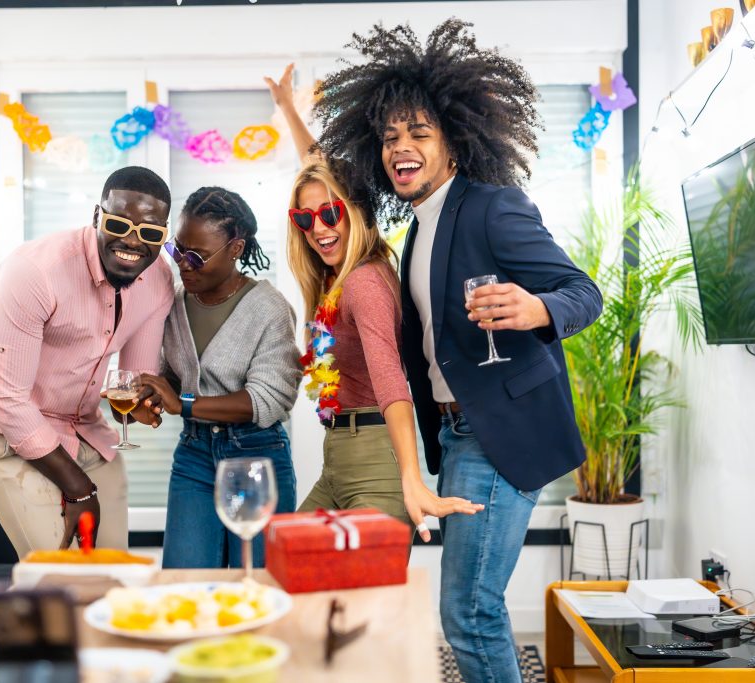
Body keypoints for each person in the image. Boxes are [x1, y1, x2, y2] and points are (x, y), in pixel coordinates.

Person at [312, 20, 603, 682]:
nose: (399, 148)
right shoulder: (419, 228)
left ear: (453, 140)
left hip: (499, 436)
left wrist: (537, 309)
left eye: (417, 132)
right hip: (458, 433)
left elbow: (583, 291)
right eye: (388, 138)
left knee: (469, 612)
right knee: (472, 609)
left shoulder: (492, 208)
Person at [266, 64, 483, 538]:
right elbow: (321, 173)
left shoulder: (363, 282)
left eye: (330, 214)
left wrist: (411, 477)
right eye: (305, 219)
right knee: (285, 564)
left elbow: (390, 378)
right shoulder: (339, 271)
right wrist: (286, 107)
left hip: (375, 463)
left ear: (356, 212)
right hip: (338, 460)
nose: (319, 227)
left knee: (364, 603)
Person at [0, 166, 173, 557]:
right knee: (61, 577)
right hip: (7, 431)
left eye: (150, 233)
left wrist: (140, 405)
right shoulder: (35, 271)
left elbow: (135, 376)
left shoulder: (159, 279)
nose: (133, 241)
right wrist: (79, 487)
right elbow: (5, 397)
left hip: (85, 431)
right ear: (97, 217)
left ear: (163, 236)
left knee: (114, 574)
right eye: (118, 224)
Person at [139, 187, 300, 569]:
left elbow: (267, 401)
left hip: (256, 457)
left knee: (259, 584)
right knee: (184, 587)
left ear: (236, 249)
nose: (184, 264)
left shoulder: (270, 310)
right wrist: (154, 394)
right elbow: (181, 375)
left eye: (197, 256)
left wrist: (186, 405)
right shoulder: (175, 303)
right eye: (178, 250)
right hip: (194, 456)